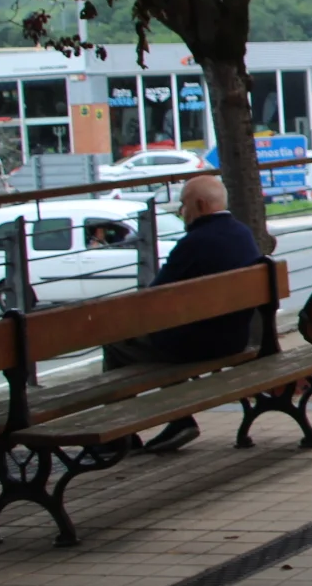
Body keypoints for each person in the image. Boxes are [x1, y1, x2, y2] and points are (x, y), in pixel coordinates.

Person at [105, 175, 264, 454]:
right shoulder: (242, 233)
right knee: (163, 336)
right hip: (237, 337)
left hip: (200, 345)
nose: (182, 211)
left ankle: (121, 434)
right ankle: (175, 419)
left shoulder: (194, 243)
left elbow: (154, 297)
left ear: (200, 205)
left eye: (184, 204)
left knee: (118, 345)